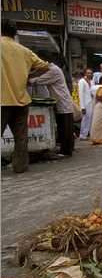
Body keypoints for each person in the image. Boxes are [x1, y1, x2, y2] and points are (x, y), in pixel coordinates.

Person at [1, 19, 49, 173]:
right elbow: (45, 66)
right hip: (21, 99)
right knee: (20, 136)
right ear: (15, 33)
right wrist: (28, 76)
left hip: (2, 99)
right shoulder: (24, 51)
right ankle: (20, 167)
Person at [29, 51, 74, 157]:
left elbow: (39, 80)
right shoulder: (50, 69)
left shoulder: (53, 70)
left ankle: (66, 151)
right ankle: (66, 149)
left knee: (65, 127)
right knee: (63, 126)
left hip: (63, 102)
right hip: (61, 102)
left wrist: (28, 78)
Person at [78, 68, 93, 140]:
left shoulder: (91, 81)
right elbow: (81, 94)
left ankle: (86, 134)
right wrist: (82, 107)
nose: (90, 74)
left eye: (91, 73)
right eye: (88, 73)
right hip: (85, 104)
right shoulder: (82, 81)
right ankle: (82, 135)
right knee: (85, 119)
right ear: (85, 73)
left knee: (89, 119)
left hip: (91, 103)